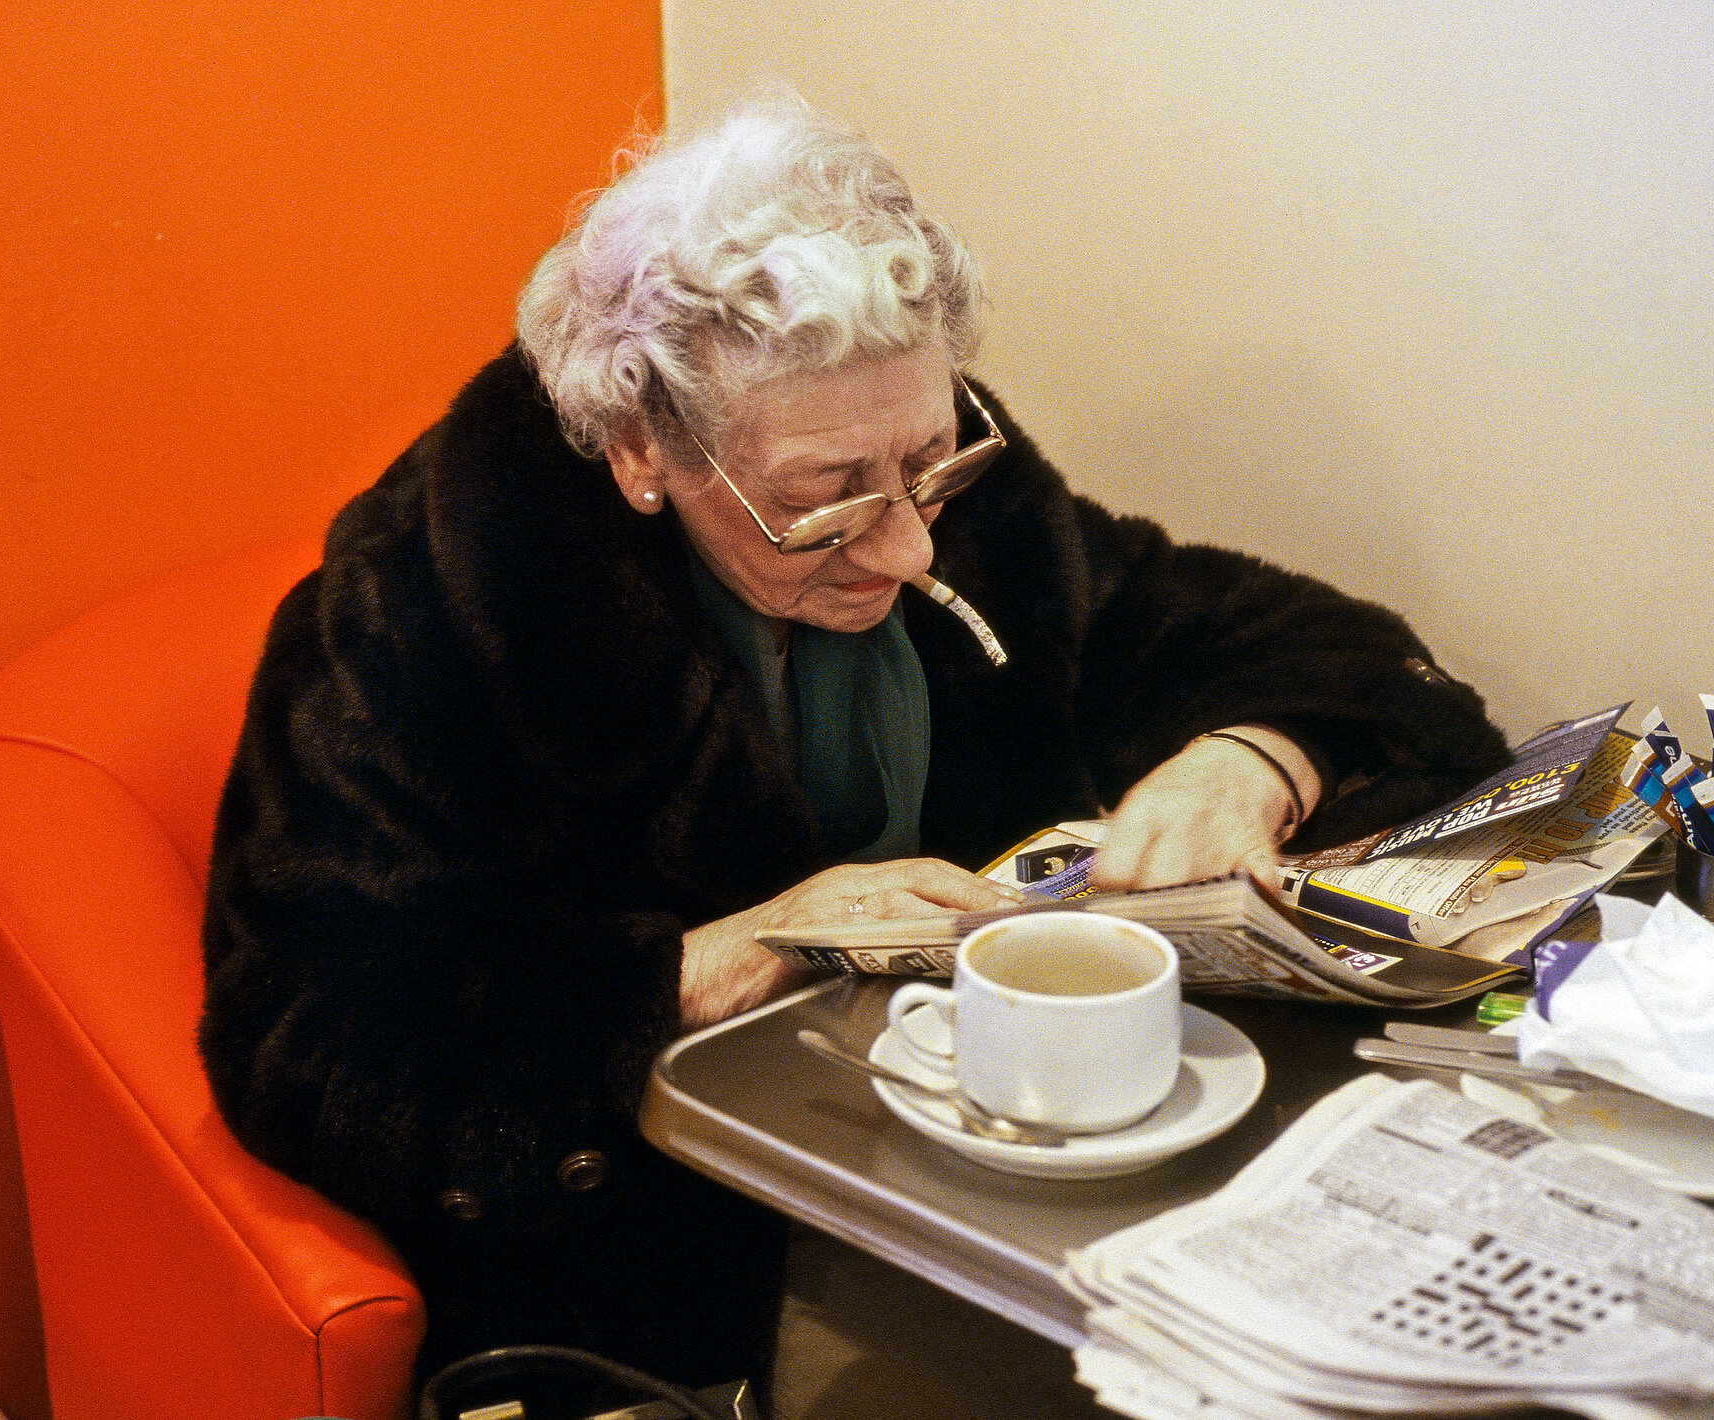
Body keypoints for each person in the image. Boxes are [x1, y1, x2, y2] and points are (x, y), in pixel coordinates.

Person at [198, 93, 1511, 1397]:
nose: (912, 547)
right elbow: (306, 1044)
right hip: (672, 1261)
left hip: (1002, 1189)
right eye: (821, 504)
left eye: (930, 462)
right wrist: (720, 957)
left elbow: (1323, 648)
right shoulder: (438, 595)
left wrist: (1255, 756)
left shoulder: (952, 489)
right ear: (643, 445)